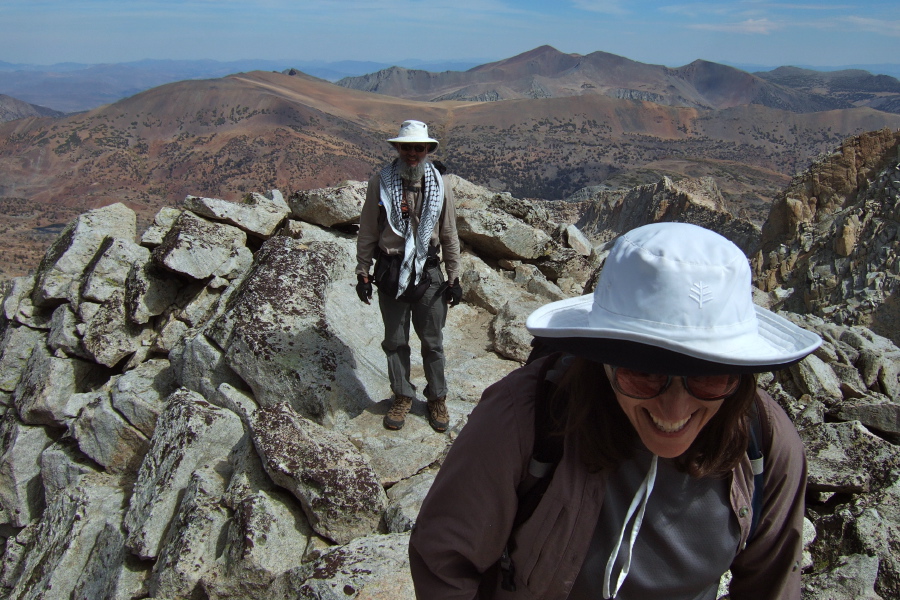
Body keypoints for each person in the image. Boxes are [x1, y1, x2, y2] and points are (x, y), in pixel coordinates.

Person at [409, 222, 822, 599]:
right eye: (643, 373)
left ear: (740, 379)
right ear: (602, 361)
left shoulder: (765, 442)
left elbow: (774, 585)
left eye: (709, 378)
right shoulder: (523, 418)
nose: (675, 408)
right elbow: (445, 560)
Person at [355, 120, 462, 433]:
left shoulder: (440, 184)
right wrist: (363, 270)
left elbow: (449, 231)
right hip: (391, 268)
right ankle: (402, 395)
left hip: (428, 270)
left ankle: (437, 398)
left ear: (428, 150)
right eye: (407, 147)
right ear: (397, 149)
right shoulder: (380, 182)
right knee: (395, 340)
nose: (413, 153)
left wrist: (454, 276)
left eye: (419, 147)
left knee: (432, 340)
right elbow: (369, 229)